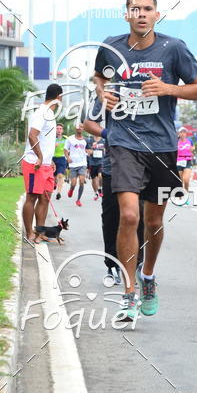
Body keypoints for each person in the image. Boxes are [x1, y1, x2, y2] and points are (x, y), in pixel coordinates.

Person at [93, 0, 197, 322]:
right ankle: (128, 294)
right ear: (126, 14)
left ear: (157, 14)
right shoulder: (110, 47)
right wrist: (103, 94)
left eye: (147, 8)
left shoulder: (173, 48)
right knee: (129, 216)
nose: (141, 14)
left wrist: (168, 88)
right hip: (123, 142)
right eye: (135, 9)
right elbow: (99, 78)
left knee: (153, 221)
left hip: (161, 146)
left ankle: (148, 275)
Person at [84, 101, 145, 288]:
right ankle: (112, 265)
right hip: (113, 166)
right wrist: (108, 133)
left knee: (139, 218)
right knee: (111, 218)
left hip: (142, 166)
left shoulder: (150, 90)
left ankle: (137, 266)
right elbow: (89, 123)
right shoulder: (109, 91)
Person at [21, 84, 63, 243]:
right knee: (31, 197)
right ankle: (29, 233)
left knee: (45, 198)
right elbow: (32, 135)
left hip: (45, 165)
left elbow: (44, 140)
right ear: (58, 97)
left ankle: (40, 233)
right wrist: (39, 157)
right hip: (34, 163)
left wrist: (49, 159)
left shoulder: (50, 114)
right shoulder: (41, 113)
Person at [65, 124, 88, 207]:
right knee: (73, 183)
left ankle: (78, 200)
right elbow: (65, 149)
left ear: (83, 129)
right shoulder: (70, 139)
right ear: (75, 128)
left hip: (82, 163)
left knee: (81, 181)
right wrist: (67, 157)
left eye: (81, 127)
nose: (80, 128)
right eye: (78, 127)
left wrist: (90, 152)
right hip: (73, 164)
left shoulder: (86, 139)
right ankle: (71, 189)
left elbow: (88, 149)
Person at [176, 127, 195, 195]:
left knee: (186, 179)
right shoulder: (176, 141)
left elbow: (193, 147)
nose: (183, 134)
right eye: (181, 132)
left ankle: (186, 193)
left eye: (184, 132)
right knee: (180, 180)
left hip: (187, 160)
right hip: (178, 161)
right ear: (178, 133)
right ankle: (181, 195)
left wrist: (192, 149)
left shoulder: (189, 140)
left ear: (186, 133)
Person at [52, 122, 67, 200]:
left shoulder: (66, 139)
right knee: (54, 177)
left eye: (60, 129)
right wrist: (53, 145)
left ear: (62, 130)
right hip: (53, 159)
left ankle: (59, 193)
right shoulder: (51, 138)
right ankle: (54, 184)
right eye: (57, 128)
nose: (59, 130)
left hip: (62, 158)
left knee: (60, 176)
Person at [88, 135, 105, 200]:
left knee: (100, 175)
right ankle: (95, 193)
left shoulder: (103, 140)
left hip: (101, 161)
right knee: (94, 179)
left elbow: (107, 150)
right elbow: (88, 151)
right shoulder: (90, 140)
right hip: (92, 162)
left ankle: (100, 188)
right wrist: (92, 148)